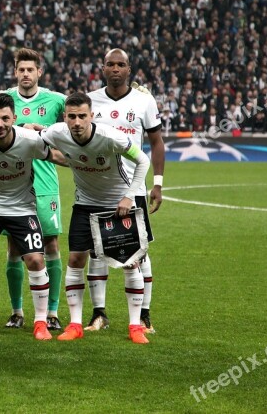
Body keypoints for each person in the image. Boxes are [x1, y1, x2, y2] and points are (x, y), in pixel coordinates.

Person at [39, 92, 151, 344]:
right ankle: (76, 324)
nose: (77, 122)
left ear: (91, 116)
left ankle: (135, 326)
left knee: (130, 263)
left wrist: (129, 197)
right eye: (71, 117)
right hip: (84, 204)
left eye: (82, 116)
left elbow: (143, 160)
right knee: (76, 259)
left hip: (116, 205)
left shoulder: (110, 137)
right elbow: (36, 137)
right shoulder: (57, 133)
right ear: (65, 117)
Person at [0, 93, 67, 341]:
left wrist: (85, 163)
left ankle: (40, 322)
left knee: (37, 261)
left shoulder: (29, 140)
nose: (0, 124)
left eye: (5, 118)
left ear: (14, 119)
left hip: (22, 209)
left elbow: (57, 156)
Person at [86, 48, 164, 334]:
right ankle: (99, 314)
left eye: (121, 64)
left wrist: (158, 183)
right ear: (102, 68)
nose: (115, 69)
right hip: (99, 186)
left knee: (140, 253)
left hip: (134, 187)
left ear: (129, 69)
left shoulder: (144, 101)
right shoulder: (90, 101)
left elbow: (156, 142)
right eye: (110, 64)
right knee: (97, 250)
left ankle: (143, 316)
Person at [5, 48, 67, 332]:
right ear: (15, 71)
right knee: (14, 248)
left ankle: (52, 312)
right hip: (12, 186)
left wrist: (39, 128)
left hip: (45, 185)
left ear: (39, 72)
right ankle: (16, 311)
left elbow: (73, 134)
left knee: (51, 245)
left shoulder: (56, 100)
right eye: (21, 69)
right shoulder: (3, 100)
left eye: (31, 70)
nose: (26, 74)